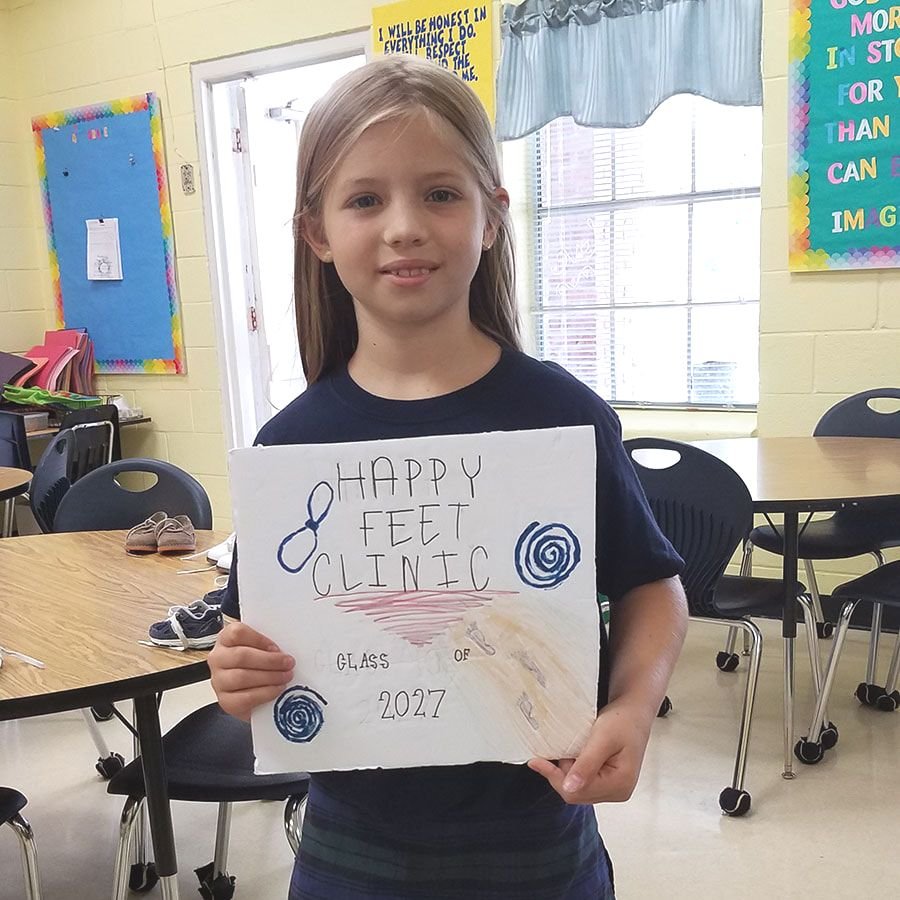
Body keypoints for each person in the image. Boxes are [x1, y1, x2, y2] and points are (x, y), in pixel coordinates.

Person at [209, 54, 688, 900]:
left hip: (535, 840)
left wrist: (633, 706)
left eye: (440, 193)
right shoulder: (291, 448)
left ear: (492, 216)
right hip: (350, 850)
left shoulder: (559, 414)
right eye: (365, 199)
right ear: (317, 232)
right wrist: (238, 678)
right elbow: (258, 644)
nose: (404, 227)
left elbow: (652, 587)